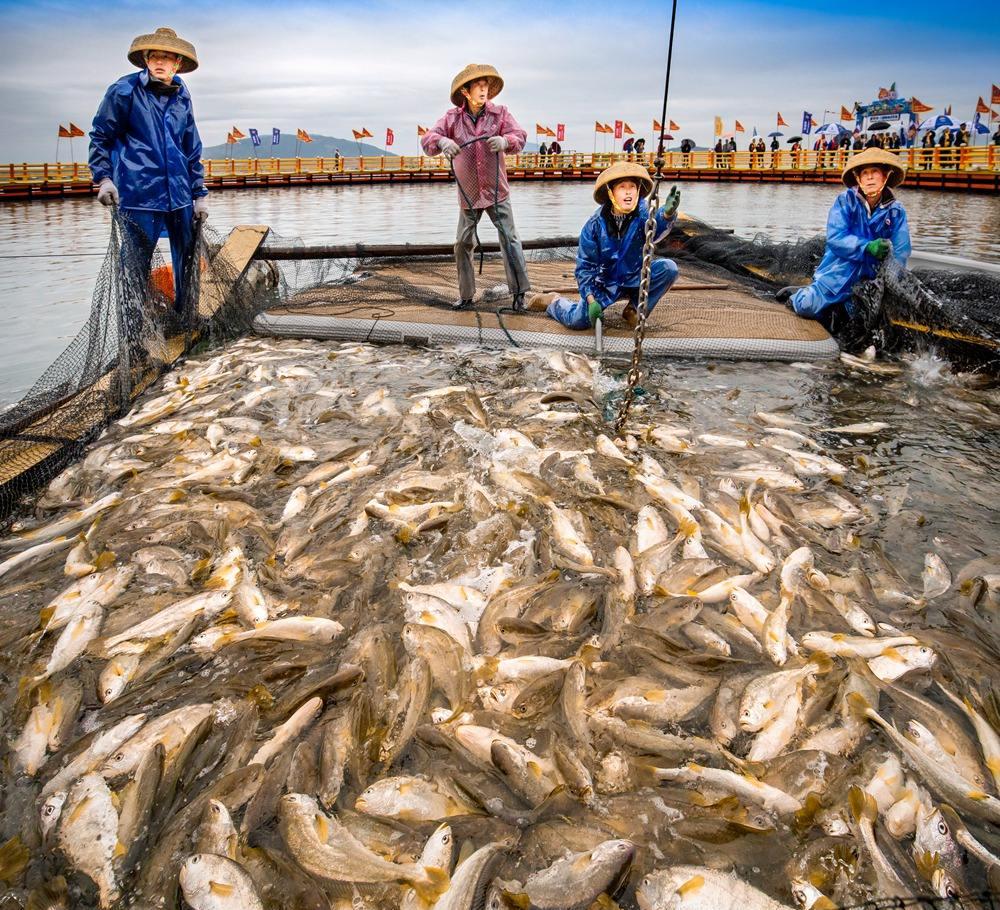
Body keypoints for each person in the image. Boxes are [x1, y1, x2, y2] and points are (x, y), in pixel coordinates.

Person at [89, 27, 206, 315]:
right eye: (155, 56)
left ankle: (186, 319)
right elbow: (100, 136)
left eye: (168, 58)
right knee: (134, 269)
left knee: (187, 263)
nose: (160, 62)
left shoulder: (182, 95)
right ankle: (136, 338)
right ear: (145, 58)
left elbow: (191, 145)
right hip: (138, 194)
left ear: (177, 64)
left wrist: (199, 193)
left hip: (179, 196)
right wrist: (103, 179)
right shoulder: (123, 91)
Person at [421, 64, 530, 311]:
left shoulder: (500, 113)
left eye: (486, 86)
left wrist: (506, 141)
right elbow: (427, 141)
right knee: (462, 242)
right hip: (468, 193)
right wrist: (442, 140)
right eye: (478, 86)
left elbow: (520, 137)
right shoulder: (451, 118)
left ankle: (519, 293)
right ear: (466, 92)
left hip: (496, 190)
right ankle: (467, 295)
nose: (484, 90)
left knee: (510, 239)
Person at [777, 148, 911, 340]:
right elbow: (836, 238)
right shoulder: (845, 201)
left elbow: (901, 249)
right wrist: (867, 247)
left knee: (860, 323)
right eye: (865, 173)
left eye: (874, 172)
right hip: (839, 271)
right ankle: (796, 296)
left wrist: (895, 278)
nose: (870, 178)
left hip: (870, 277)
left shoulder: (896, 211)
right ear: (858, 178)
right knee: (808, 307)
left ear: (885, 176)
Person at [532, 161, 680, 330]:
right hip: (605, 284)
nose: (628, 192)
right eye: (622, 187)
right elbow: (584, 268)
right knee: (578, 321)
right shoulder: (594, 226)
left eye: (632, 187)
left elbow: (656, 230)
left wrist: (668, 214)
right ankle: (554, 301)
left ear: (638, 191)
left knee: (669, 269)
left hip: (636, 277)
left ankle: (633, 309)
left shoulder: (644, 214)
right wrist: (590, 299)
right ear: (611, 193)